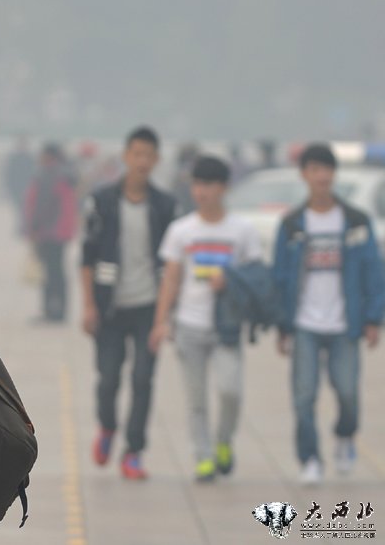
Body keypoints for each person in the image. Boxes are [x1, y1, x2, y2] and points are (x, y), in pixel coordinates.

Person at [272, 143, 384, 485]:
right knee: (304, 396)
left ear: (334, 175)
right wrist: (283, 325)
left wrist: (372, 318)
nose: (322, 177)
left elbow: (373, 271)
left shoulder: (355, 221)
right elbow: (280, 276)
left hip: (344, 323)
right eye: (315, 170)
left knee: (347, 392)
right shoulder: (292, 224)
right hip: (304, 322)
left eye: (327, 170)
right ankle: (310, 459)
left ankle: (345, 435)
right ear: (304, 175)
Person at [150, 156, 263, 482]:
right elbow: (170, 279)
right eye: (197, 185)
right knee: (195, 398)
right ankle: (203, 456)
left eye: (209, 185)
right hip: (189, 325)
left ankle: (224, 441)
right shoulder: (181, 230)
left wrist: (231, 280)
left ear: (224, 188)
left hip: (227, 326)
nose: (202, 191)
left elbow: (256, 277)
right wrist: (161, 321)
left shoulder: (242, 230)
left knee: (231, 391)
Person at [81, 126, 177, 480]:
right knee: (108, 378)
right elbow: (86, 257)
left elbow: (173, 266)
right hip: (109, 307)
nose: (141, 161)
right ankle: (107, 427)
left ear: (155, 160)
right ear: (126, 156)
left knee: (143, 379)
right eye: (135, 153)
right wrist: (88, 305)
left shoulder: (165, 206)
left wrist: (165, 317)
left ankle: (133, 451)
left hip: (149, 307)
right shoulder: (103, 201)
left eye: (148, 155)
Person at [24, 143, 79, 322]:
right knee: (58, 272)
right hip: (61, 231)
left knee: (50, 272)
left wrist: (33, 227)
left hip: (50, 232)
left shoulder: (49, 175)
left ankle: (51, 312)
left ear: (49, 157)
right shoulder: (65, 174)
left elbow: (42, 205)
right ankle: (58, 311)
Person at [4, 135, 35, 235]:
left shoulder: (30, 158)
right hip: (17, 189)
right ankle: (22, 228)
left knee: (25, 209)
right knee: (20, 210)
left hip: (27, 188)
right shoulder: (14, 158)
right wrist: (9, 187)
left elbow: (34, 174)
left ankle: (24, 228)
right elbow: (9, 175)